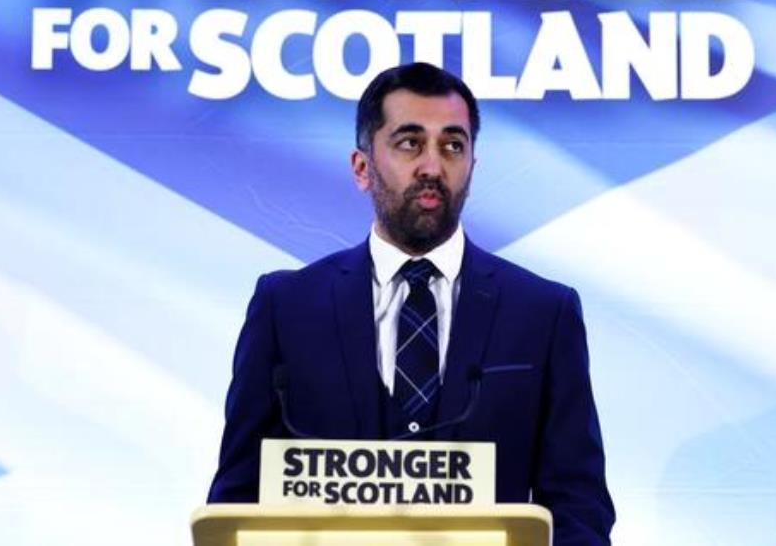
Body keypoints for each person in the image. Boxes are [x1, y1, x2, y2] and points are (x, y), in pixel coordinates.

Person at [207, 62, 615, 544]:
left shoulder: (543, 313)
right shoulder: (286, 307)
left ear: (473, 166)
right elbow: (238, 497)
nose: (432, 167)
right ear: (362, 168)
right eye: (409, 143)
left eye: (453, 146)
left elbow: (578, 506)